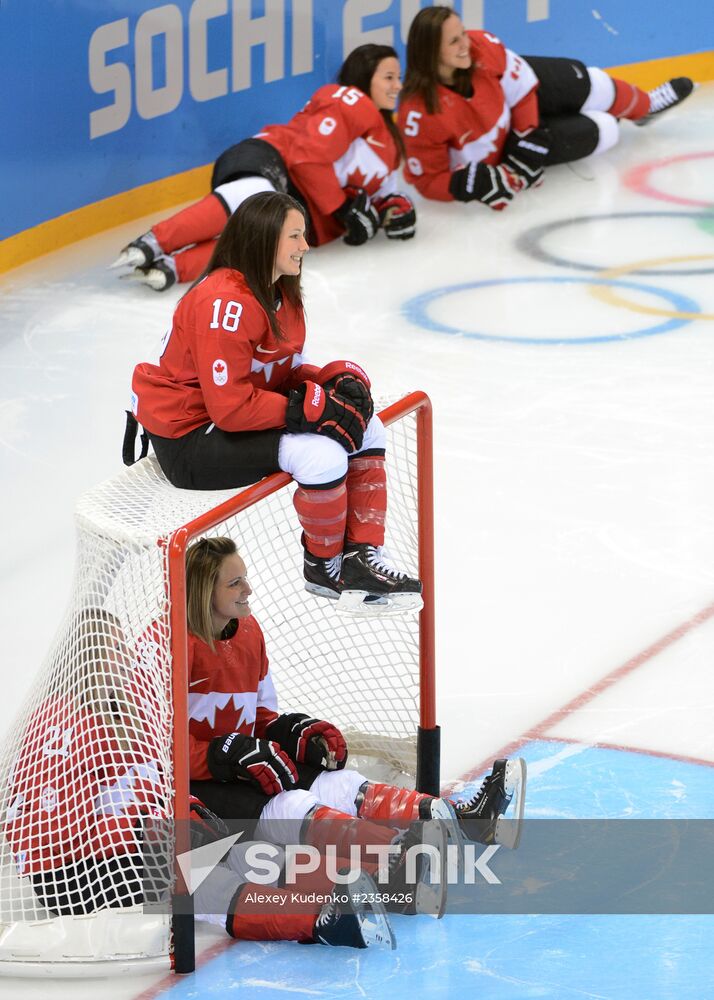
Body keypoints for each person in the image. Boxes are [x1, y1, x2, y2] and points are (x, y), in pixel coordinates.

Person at [168, 536, 527, 916]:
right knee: (290, 806)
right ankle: (396, 866)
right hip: (196, 788)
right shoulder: (174, 647)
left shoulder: (248, 631)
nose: (248, 589)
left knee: (339, 783)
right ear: (204, 591)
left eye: (245, 578)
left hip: (244, 766)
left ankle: (471, 821)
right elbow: (157, 748)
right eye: (234, 583)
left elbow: (260, 718)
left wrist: (294, 732)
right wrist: (221, 756)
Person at [4, 607, 396, 950]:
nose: (126, 657)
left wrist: (182, 812)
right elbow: (48, 827)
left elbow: (145, 786)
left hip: (125, 849)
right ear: (85, 659)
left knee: (242, 855)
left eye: (123, 645)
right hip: (78, 875)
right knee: (207, 882)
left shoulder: (122, 712)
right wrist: (152, 829)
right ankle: (318, 920)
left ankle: (359, 880)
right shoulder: (57, 724)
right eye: (113, 648)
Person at [129, 190, 421, 614]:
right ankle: (325, 568)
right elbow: (229, 408)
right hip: (189, 437)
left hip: (222, 419)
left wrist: (327, 382)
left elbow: (281, 374)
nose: (306, 246)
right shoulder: (224, 303)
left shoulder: (281, 294)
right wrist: (309, 409)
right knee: (320, 455)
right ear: (264, 239)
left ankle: (362, 557)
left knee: (366, 424)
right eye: (295, 237)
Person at [112, 44, 416, 291]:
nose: (398, 86)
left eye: (398, 77)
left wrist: (395, 212)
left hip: (302, 204)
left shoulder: (388, 143)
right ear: (363, 78)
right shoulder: (352, 101)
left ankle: (170, 269)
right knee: (256, 197)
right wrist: (342, 208)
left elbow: (386, 195)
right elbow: (306, 158)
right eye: (388, 77)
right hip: (272, 162)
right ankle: (155, 242)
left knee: (262, 247)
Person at [397, 5, 695, 209]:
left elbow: (524, 88)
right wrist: (474, 183)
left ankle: (645, 108)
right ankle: (613, 118)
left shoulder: (482, 48)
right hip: (502, 147)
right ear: (431, 51)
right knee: (605, 129)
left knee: (596, 84)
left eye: (462, 32)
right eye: (453, 41)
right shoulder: (419, 113)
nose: (465, 43)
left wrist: (529, 135)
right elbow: (426, 180)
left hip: (519, 102)